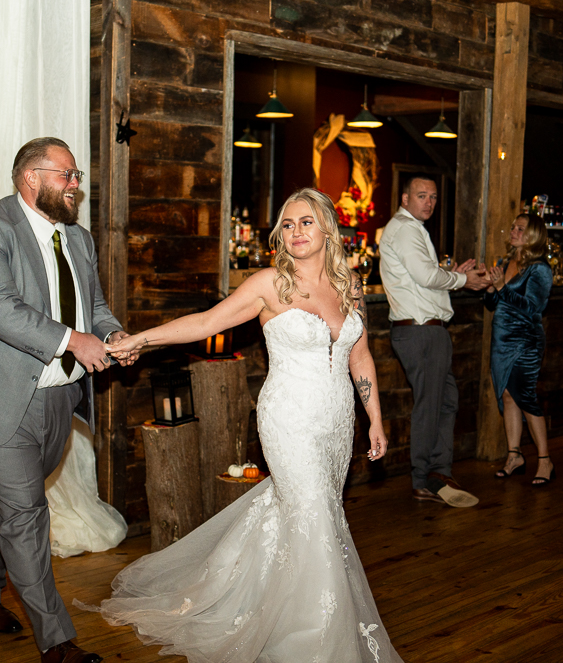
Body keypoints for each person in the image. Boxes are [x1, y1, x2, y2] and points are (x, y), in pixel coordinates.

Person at [91, 188, 403, 663]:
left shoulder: (347, 284)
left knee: (308, 517)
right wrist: (142, 339)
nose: (295, 232)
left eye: (305, 222)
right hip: (289, 420)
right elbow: (206, 322)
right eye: (288, 224)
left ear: (326, 230)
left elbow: (359, 354)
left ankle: (256, 599)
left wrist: (375, 418)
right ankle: (311, 644)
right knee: (314, 517)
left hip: (337, 422)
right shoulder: (269, 285)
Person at [0, 137, 137, 663]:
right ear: (30, 177)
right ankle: (57, 641)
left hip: (58, 397)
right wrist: (72, 341)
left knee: (9, 501)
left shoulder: (78, 239)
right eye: (67, 174)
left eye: (77, 175)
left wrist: (112, 334)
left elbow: (93, 305)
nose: (76, 184)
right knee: (26, 513)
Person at [379, 174, 488, 507]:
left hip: (426, 329)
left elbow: (423, 279)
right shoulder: (406, 229)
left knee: (446, 400)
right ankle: (422, 478)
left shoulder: (411, 229)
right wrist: (461, 279)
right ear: (405, 199)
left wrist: (452, 276)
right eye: (421, 196)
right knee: (431, 405)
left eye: (433, 197)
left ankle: (438, 473)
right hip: (421, 331)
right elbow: (427, 276)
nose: (428, 202)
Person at [484, 212, 555, 486]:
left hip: (525, 342)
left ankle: (545, 460)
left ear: (533, 235)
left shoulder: (540, 269)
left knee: (524, 397)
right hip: (501, 341)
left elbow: (534, 308)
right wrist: (492, 288)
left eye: (520, 228)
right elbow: (493, 305)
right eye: (513, 226)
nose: (513, 231)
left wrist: (503, 287)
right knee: (507, 395)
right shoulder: (506, 261)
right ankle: (514, 456)